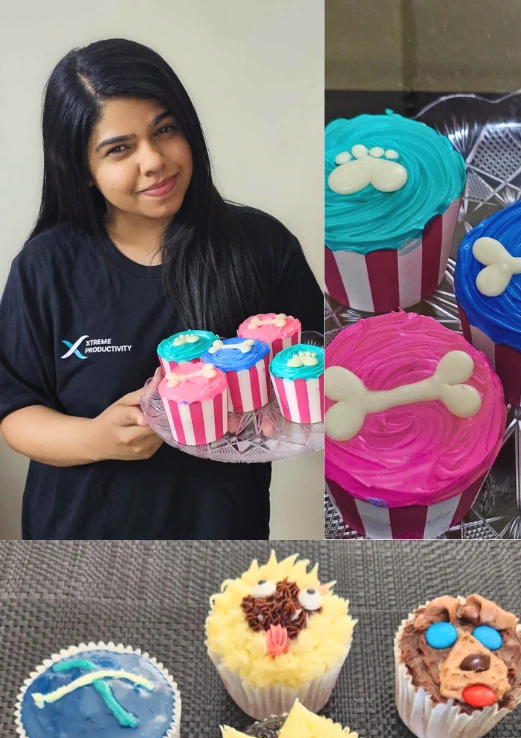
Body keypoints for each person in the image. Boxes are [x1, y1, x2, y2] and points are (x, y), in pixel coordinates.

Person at [0, 39, 322, 539]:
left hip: (219, 540)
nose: (153, 161)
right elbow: (15, 409)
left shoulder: (261, 247)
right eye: (119, 149)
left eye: (165, 130)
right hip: (79, 547)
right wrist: (96, 438)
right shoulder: (46, 267)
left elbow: (320, 371)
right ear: (81, 168)